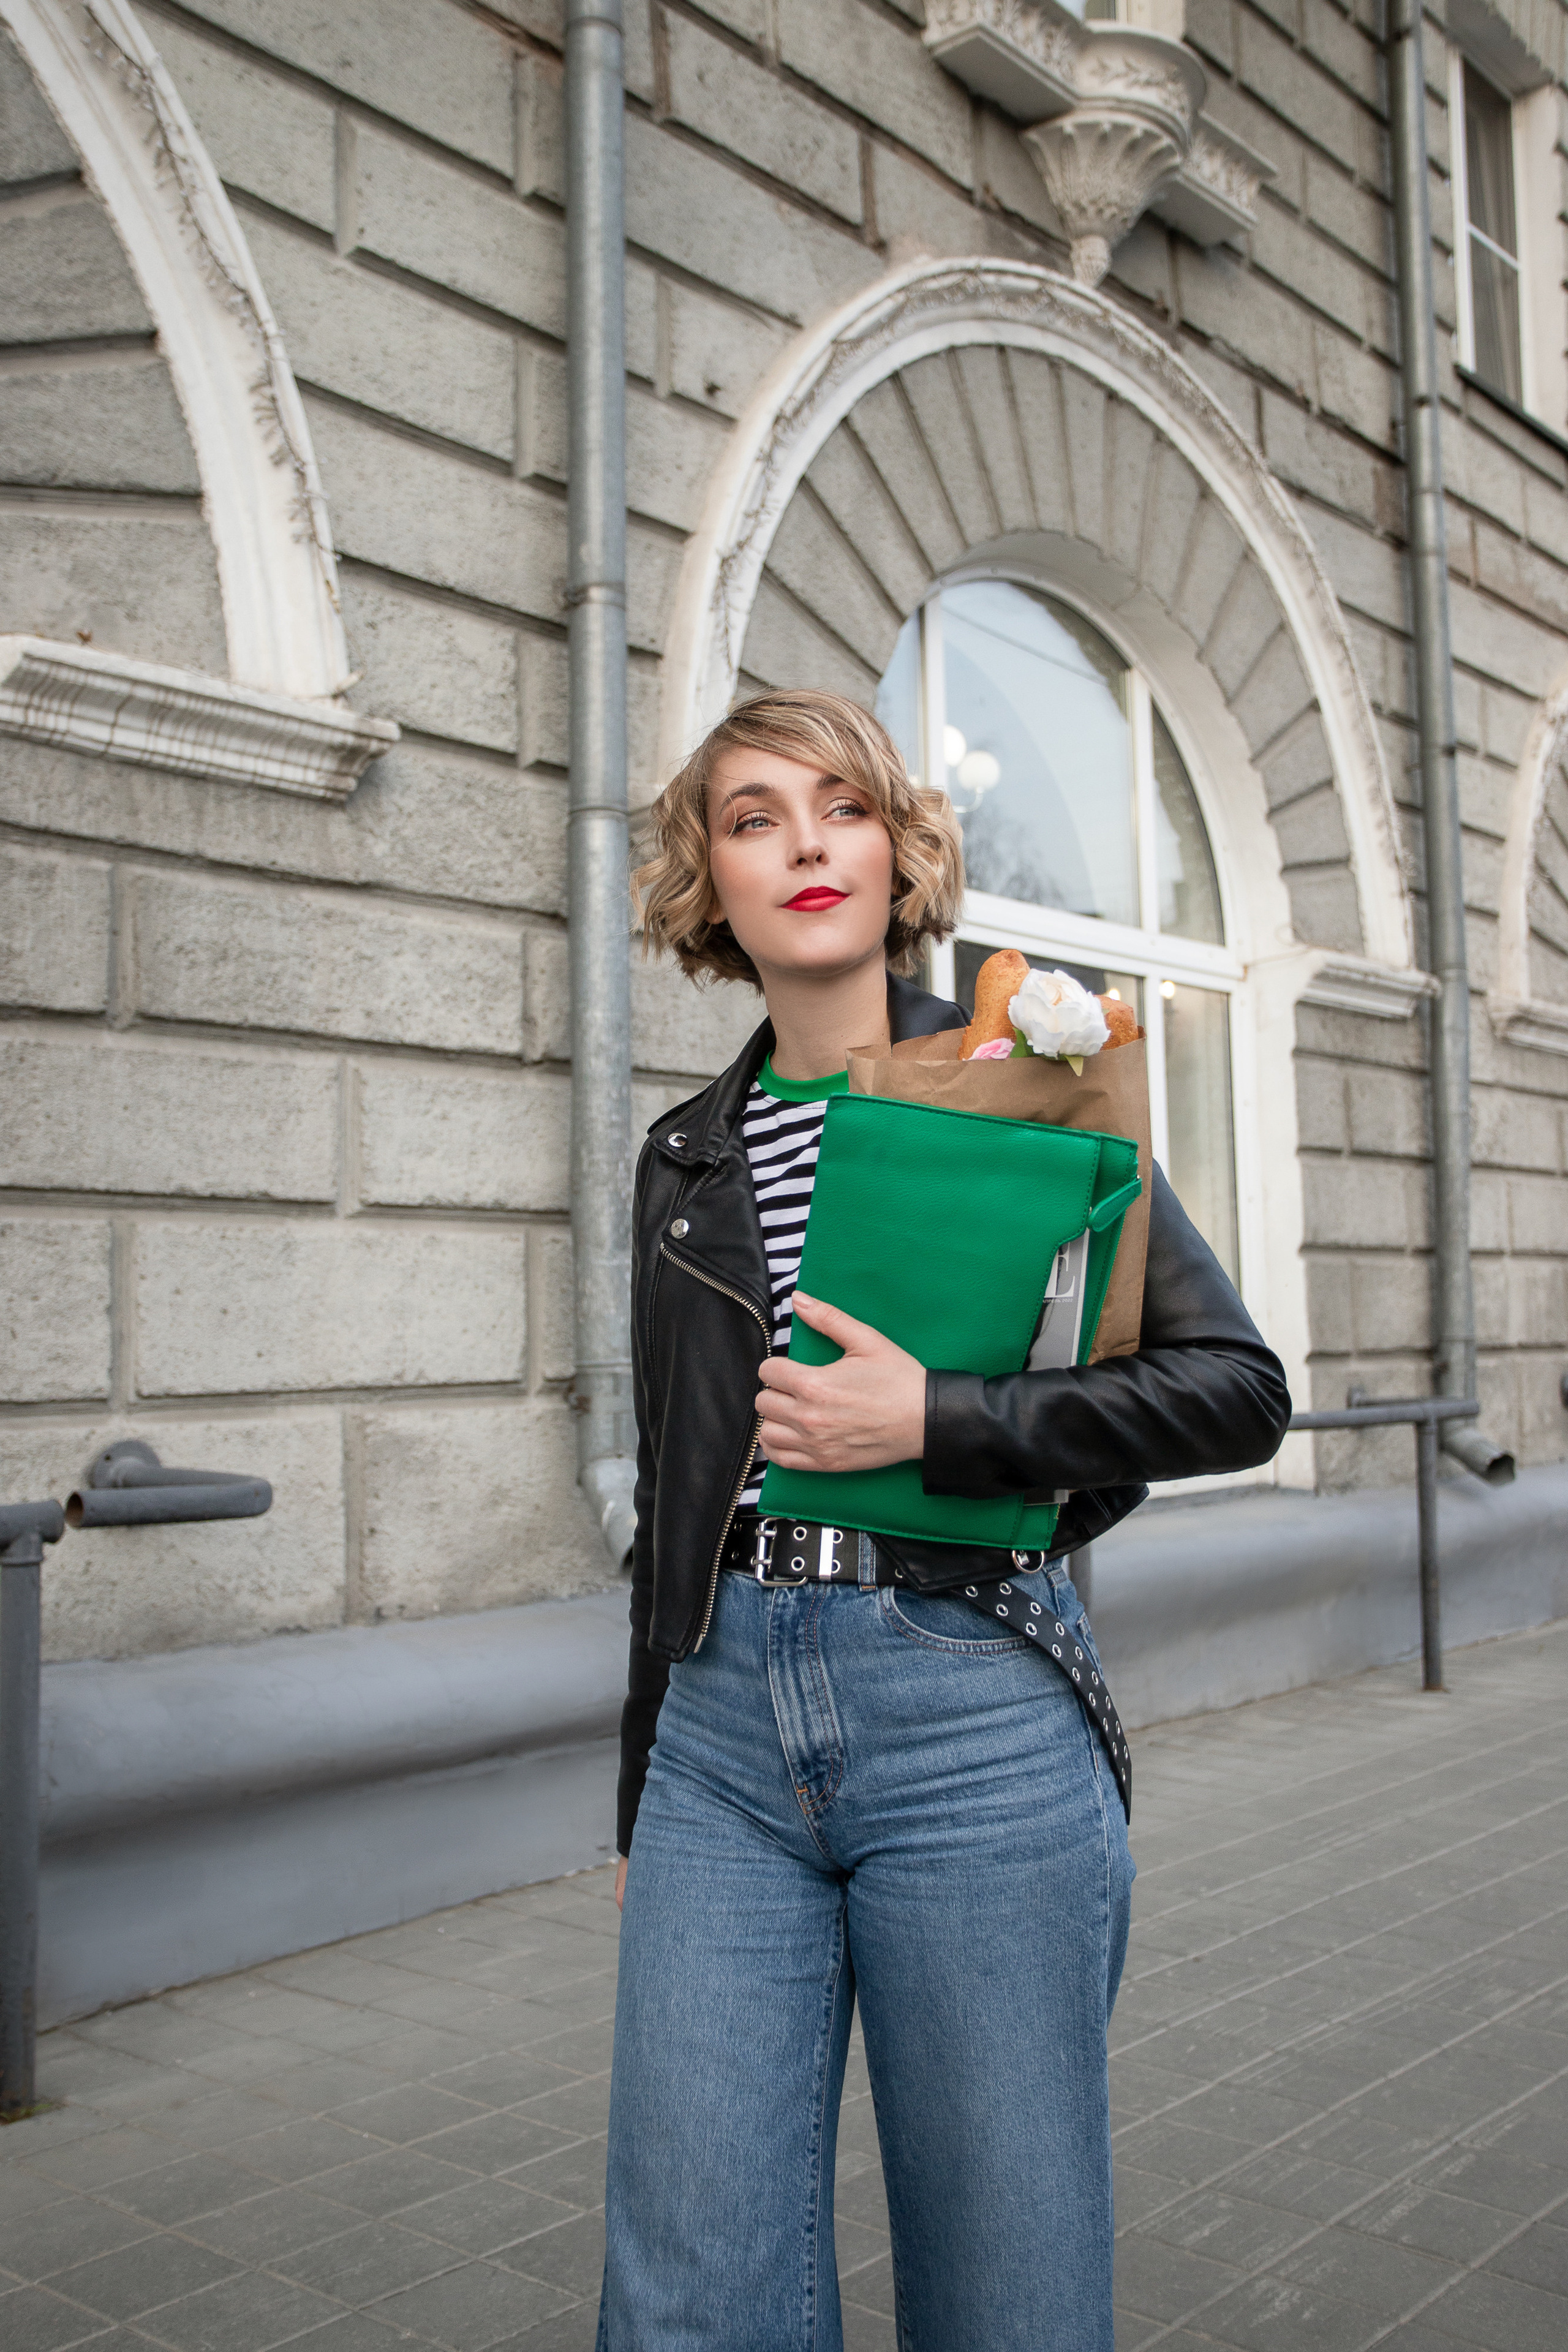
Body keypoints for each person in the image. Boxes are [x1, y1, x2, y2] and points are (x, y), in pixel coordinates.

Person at [597, 688, 1291, 2352]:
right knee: (687, 2290)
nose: (803, 844)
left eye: (839, 807)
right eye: (753, 817)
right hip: (717, 1740)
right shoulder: (684, 1155)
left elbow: (1233, 1388)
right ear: (713, 881)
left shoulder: (1025, 1090)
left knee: (1005, 2285)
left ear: (896, 851)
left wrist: (947, 1425)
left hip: (968, 1707)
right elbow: (677, 1485)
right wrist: (639, 1788)